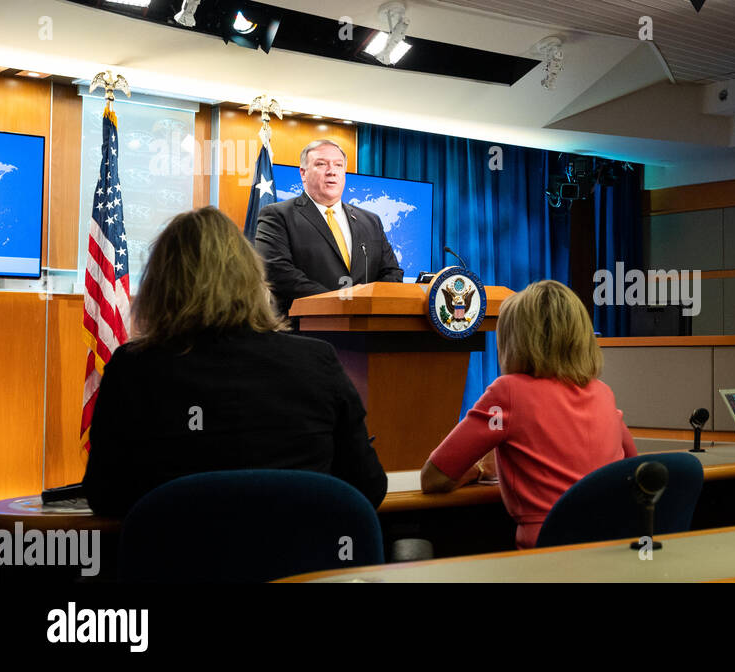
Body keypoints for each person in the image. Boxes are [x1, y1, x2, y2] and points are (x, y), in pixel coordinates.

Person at [82, 207, 388, 517]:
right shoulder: (317, 360)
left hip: (177, 561)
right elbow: (367, 487)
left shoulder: (133, 369)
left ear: (158, 286)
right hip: (305, 560)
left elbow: (106, 495)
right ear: (254, 278)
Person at [420, 280, 637, 549]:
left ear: (515, 340)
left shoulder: (508, 392)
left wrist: (477, 471)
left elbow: (434, 477)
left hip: (546, 557)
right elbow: (633, 466)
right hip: (612, 549)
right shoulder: (604, 393)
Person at [254, 139, 403, 319]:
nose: (332, 171)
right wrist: (335, 303)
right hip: (306, 330)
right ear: (303, 173)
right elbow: (277, 271)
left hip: (365, 330)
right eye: (321, 164)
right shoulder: (278, 215)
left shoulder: (370, 221)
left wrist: (367, 303)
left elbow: (392, 272)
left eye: (338, 165)